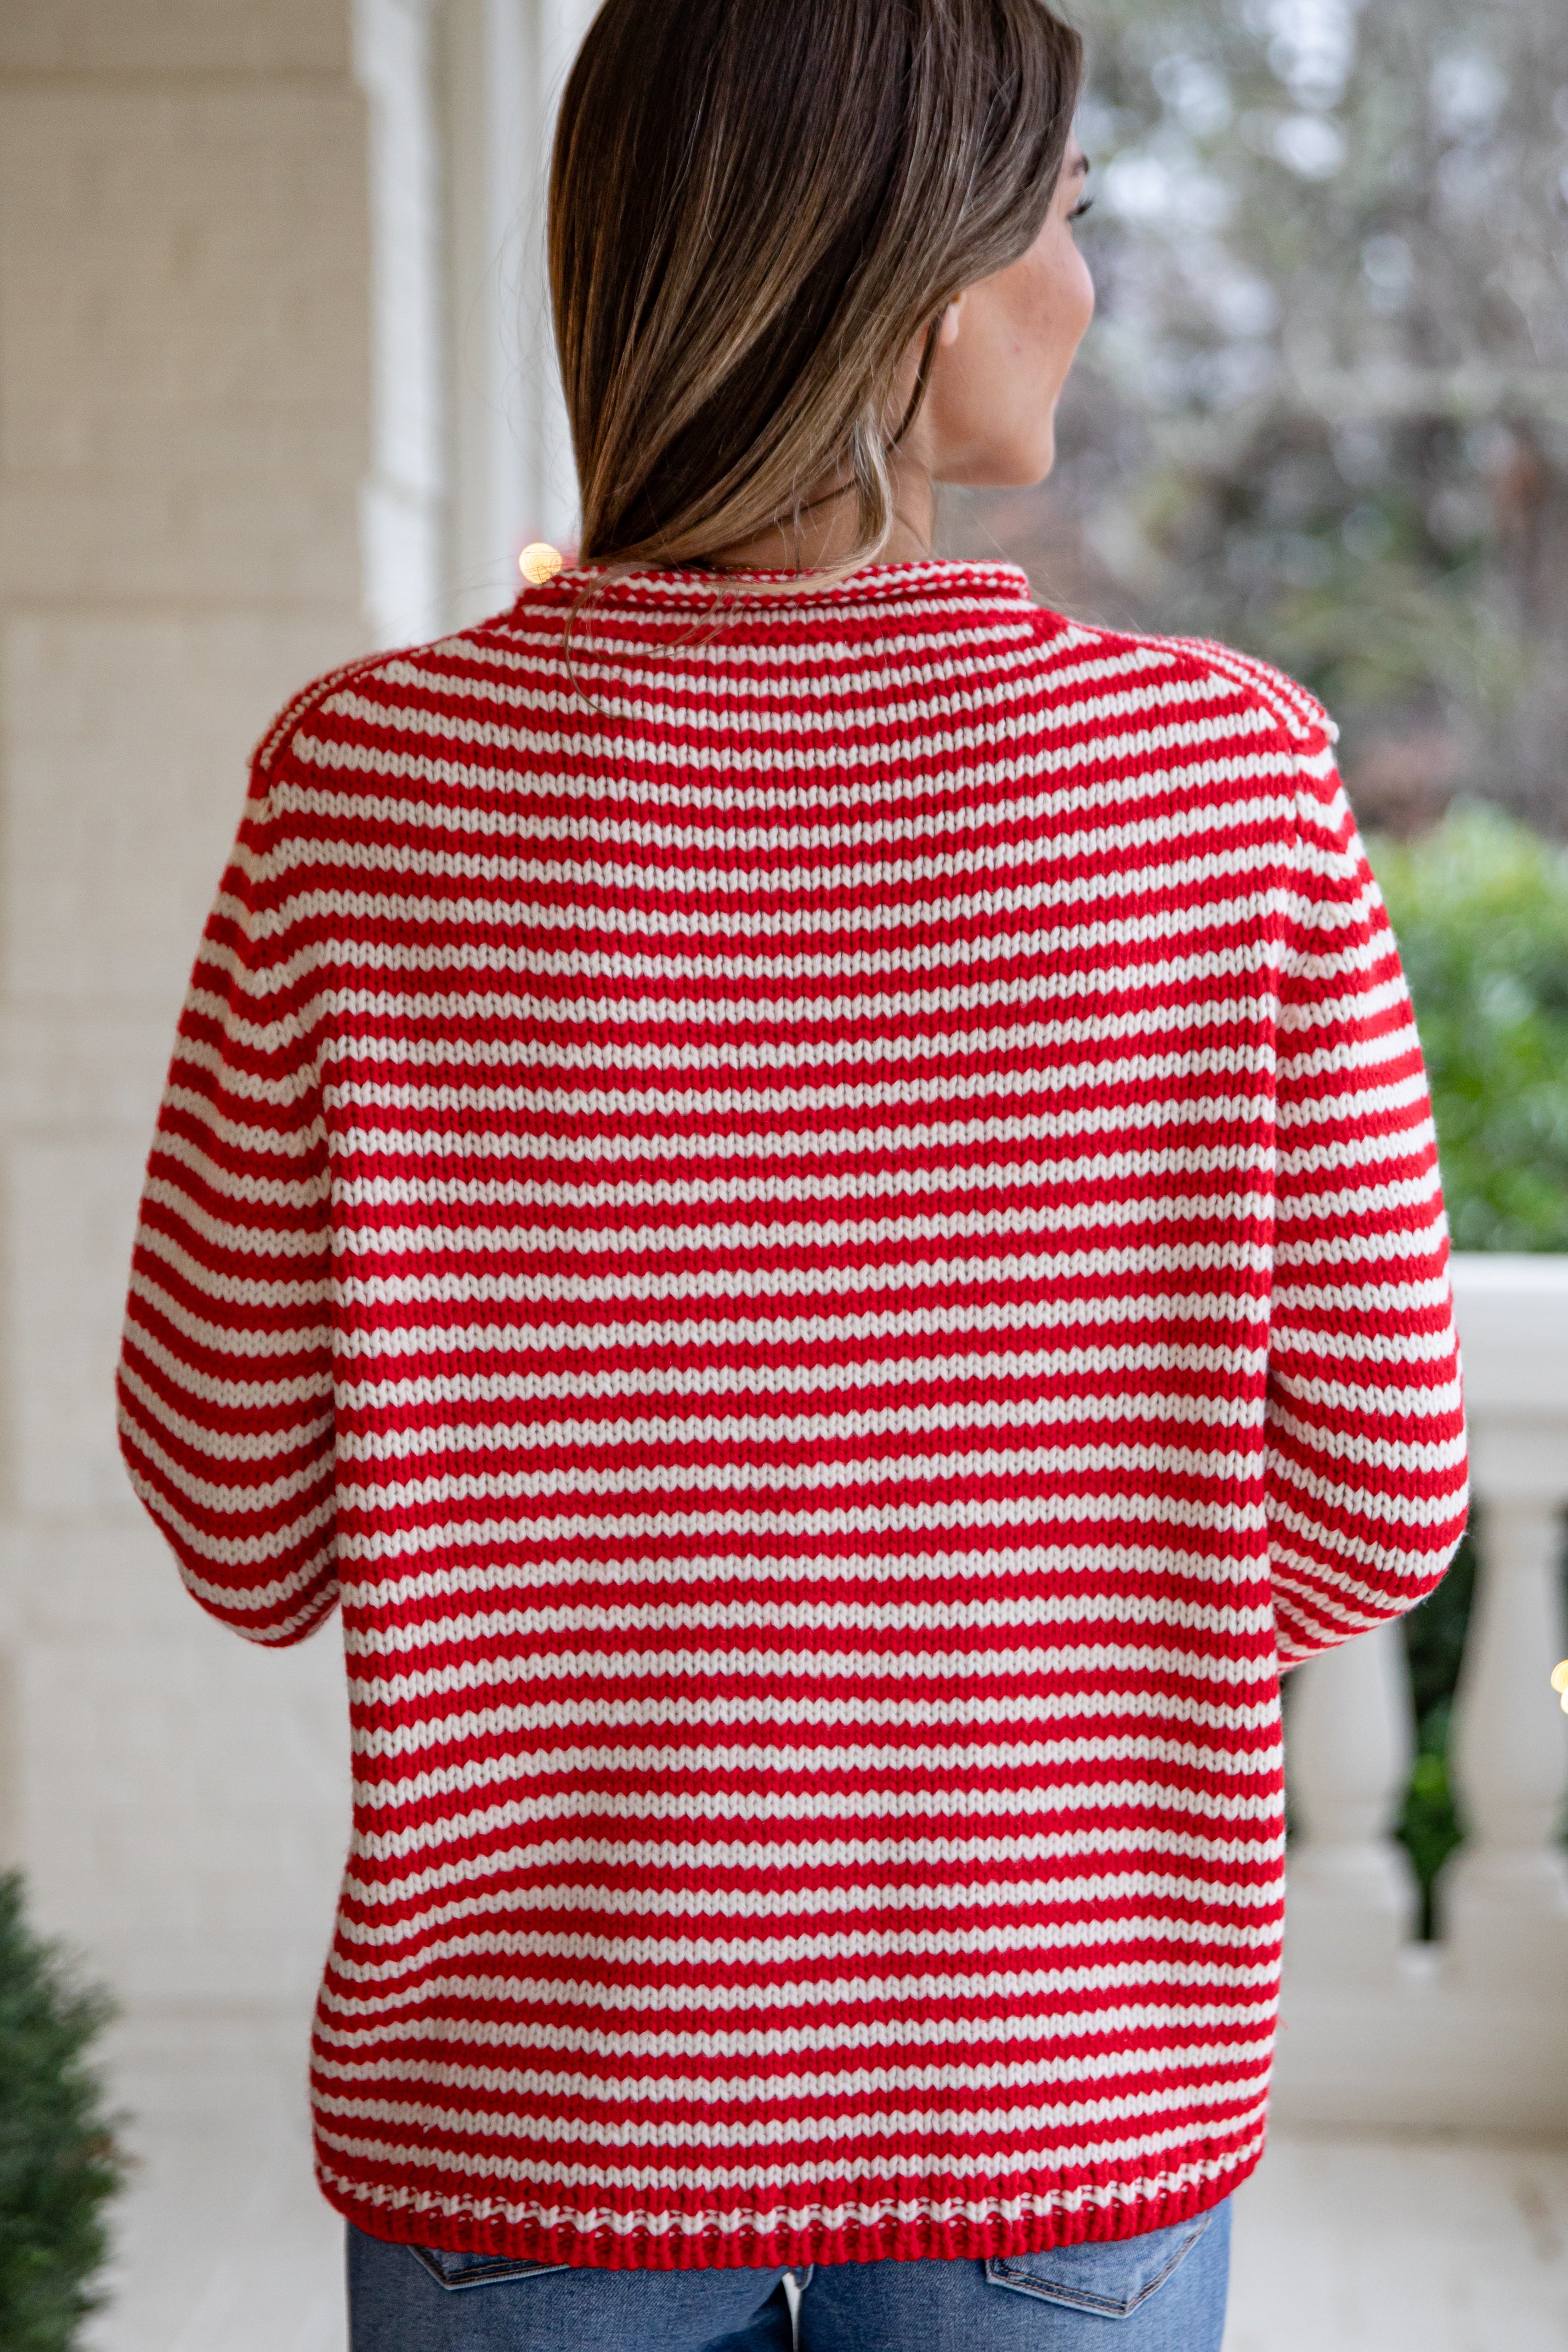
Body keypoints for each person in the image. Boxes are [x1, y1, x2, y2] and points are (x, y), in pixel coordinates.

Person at [115, 0, 1469, 2345]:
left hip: (530, 2113)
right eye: (1061, 217)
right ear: (908, 281)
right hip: (1048, 2088)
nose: (1086, 284)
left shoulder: (361, 790)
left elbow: (238, 1519)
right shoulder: (1222, 788)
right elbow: (1373, 1514)